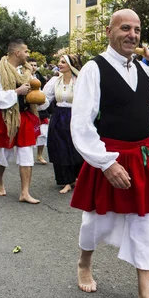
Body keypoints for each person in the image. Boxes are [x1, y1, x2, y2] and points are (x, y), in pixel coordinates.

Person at [69, 9, 149, 298]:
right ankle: (84, 263)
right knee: (95, 222)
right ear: (109, 31)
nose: (132, 34)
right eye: (125, 28)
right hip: (110, 156)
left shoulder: (144, 70)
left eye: (136, 29)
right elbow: (81, 124)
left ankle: (145, 294)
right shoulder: (94, 69)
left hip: (142, 158)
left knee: (145, 223)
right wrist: (105, 163)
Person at [0, 39, 40, 204]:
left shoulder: (28, 72)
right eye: (26, 51)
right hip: (5, 117)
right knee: (2, 155)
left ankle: (25, 192)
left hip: (24, 116)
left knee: (26, 154)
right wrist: (17, 91)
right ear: (17, 53)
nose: (28, 54)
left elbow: (36, 92)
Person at [39, 54, 84, 194]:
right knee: (60, 147)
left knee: (76, 147)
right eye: (60, 61)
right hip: (59, 116)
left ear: (71, 64)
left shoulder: (79, 80)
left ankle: (77, 177)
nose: (60, 64)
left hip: (75, 116)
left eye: (63, 62)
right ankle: (66, 181)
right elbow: (45, 98)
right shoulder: (55, 81)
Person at [28, 58, 49, 164]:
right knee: (31, 133)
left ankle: (39, 155)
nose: (33, 67)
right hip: (30, 109)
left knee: (43, 133)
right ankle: (29, 155)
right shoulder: (23, 77)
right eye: (31, 65)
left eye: (35, 65)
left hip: (41, 108)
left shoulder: (40, 78)